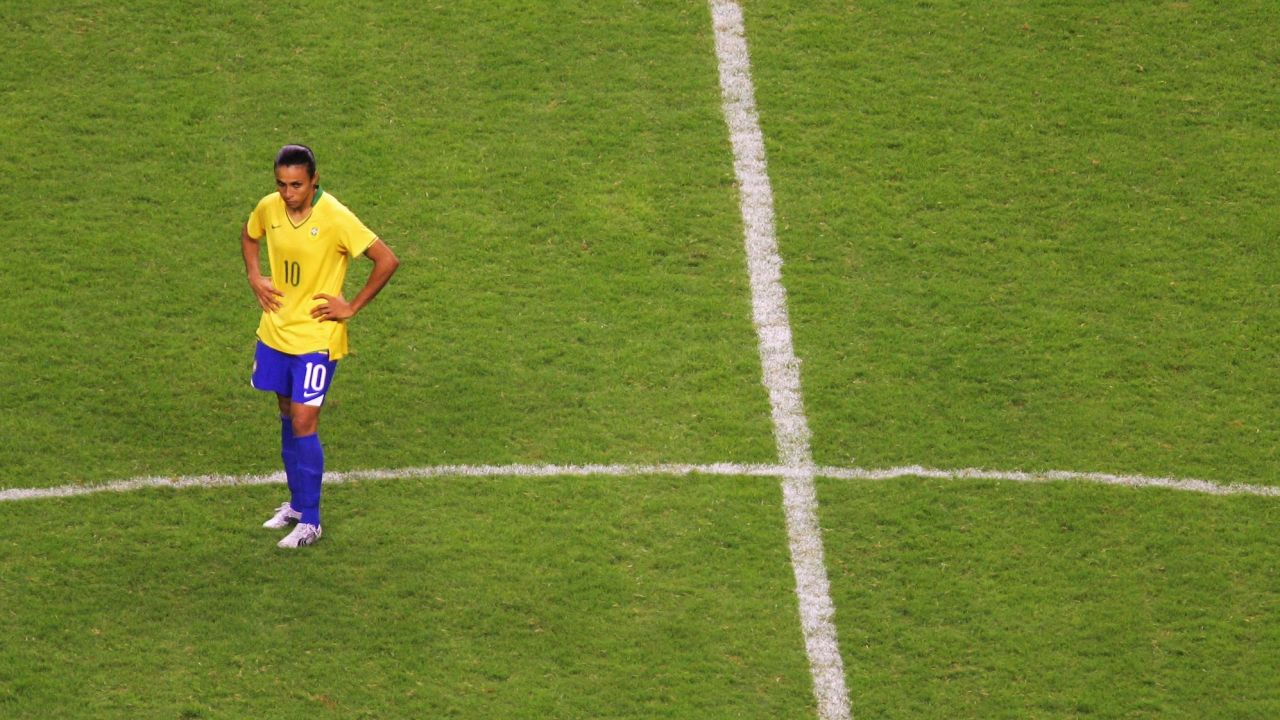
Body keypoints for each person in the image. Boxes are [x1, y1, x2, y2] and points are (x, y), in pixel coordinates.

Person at [241, 144, 400, 548]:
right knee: (285, 415)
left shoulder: (336, 217)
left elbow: (386, 260)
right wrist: (255, 276)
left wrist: (352, 306)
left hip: (316, 338)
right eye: (281, 184)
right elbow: (249, 234)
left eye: (296, 185)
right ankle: (295, 505)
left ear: (314, 180)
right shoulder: (269, 207)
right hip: (276, 332)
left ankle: (311, 520)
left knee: (304, 421)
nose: (287, 193)